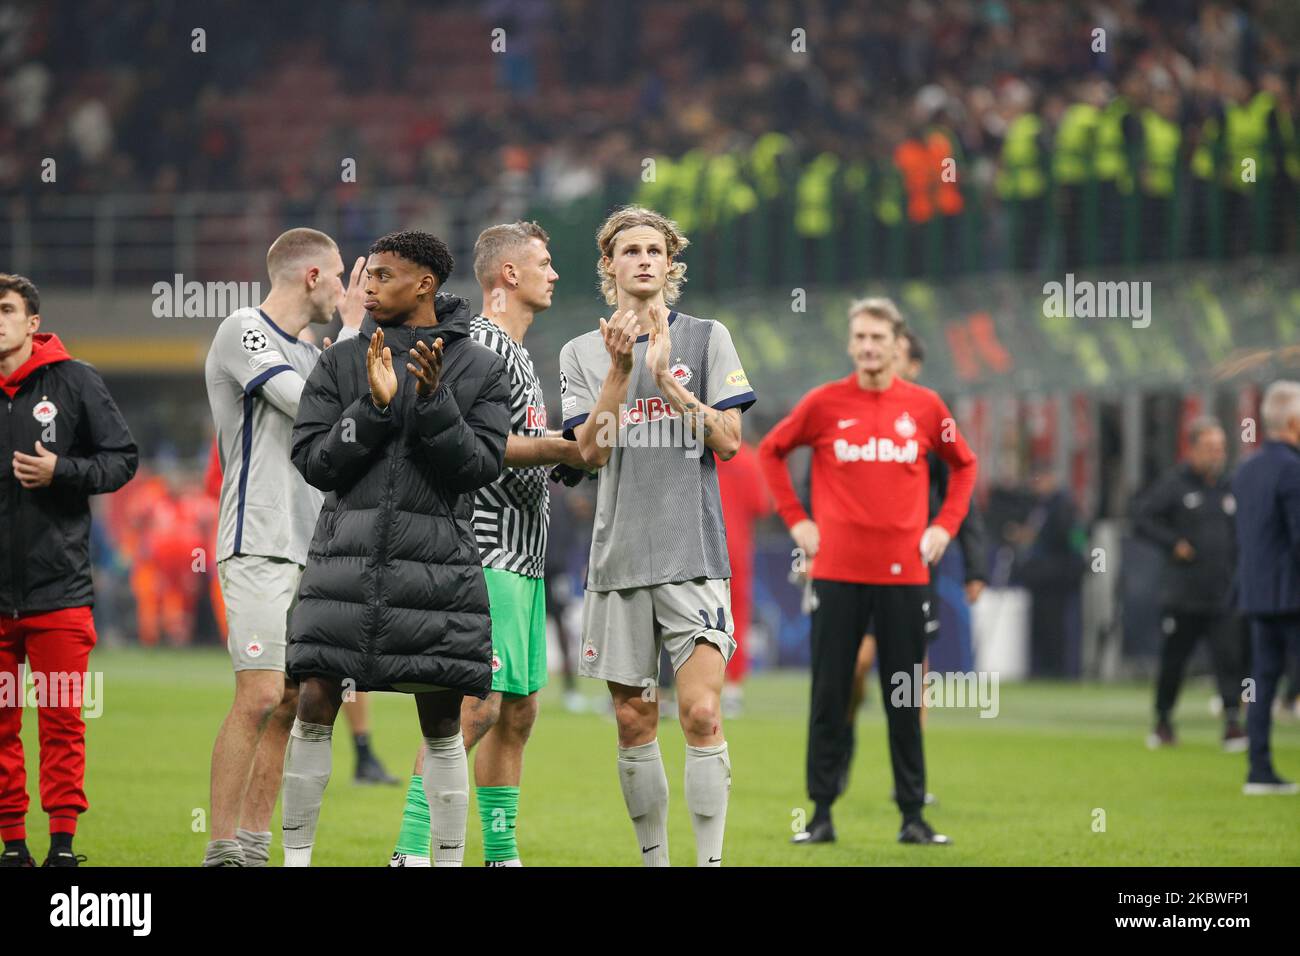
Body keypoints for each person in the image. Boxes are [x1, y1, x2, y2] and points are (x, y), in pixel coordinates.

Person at [280, 230, 511, 866]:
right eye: (366, 276)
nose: (368, 288)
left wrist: (433, 403)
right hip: (341, 569)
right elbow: (314, 461)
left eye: (383, 276)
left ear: (425, 285)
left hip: (436, 576)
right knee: (314, 702)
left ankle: (446, 861)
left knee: (441, 726)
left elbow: (479, 467)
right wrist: (374, 407)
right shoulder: (339, 361)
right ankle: (296, 861)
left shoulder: (480, 369)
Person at [559, 205, 756, 866]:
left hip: (692, 557)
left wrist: (672, 385)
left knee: (701, 715)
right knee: (633, 721)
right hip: (618, 562)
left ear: (671, 265)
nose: (643, 260)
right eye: (629, 251)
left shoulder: (707, 339)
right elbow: (590, 456)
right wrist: (619, 374)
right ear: (609, 266)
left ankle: (708, 862)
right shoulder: (581, 351)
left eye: (654, 250)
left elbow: (729, 443)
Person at [388, 220, 584, 867]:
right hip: (483, 552)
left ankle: (500, 854)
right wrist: (560, 446)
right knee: (475, 709)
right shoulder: (481, 345)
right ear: (509, 274)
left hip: (524, 560)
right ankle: (412, 851)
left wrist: (563, 453)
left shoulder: (520, 352)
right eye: (544, 262)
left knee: (519, 712)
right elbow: (473, 446)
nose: (553, 273)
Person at [759, 297, 976, 847]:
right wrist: (797, 522)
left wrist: (944, 527)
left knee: (904, 698)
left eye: (878, 337)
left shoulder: (926, 407)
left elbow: (965, 466)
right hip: (835, 574)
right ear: (850, 343)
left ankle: (913, 816)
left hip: (905, 577)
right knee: (830, 693)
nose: (868, 347)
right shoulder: (825, 403)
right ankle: (822, 813)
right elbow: (771, 450)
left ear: (896, 343)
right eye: (860, 337)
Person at [202, 228, 367, 866]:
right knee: (261, 692)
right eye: (341, 276)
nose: (349, 290)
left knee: (295, 699)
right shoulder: (243, 328)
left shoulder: (309, 352)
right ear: (312, 277)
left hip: (312, 545)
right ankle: (218, 848)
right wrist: (351, 338)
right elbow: (310, 407)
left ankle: (252, 845)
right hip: (258, 540)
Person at [0, 273, 138, 867]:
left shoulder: (76, 381)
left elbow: (121, 460)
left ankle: (61, 848)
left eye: (5, 309)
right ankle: (11, 845)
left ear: (33, 322)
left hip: (58, 592)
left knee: (61, 725)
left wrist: (64, 472)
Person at [851, 329, 988, 730]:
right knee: (856, 661)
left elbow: (960, 491)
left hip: (914, 558)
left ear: (913, 365)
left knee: (913, 664)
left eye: (897, 355)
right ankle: (845, 725)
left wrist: (975, 565)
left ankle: (913, 768)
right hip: (857, 557)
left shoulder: (930, 418)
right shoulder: (853, 411)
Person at [1132, 416, 1246, 751]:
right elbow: (1142, 517)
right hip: (1183, 593)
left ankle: (1232, 723)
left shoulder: (1229, 486)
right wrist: (1173, 543)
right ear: (1192, 448)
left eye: (1221, 447)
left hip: (1222, 592)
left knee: (1229, 659)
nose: (1217, 454)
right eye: (1210, 447)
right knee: (1175, 660)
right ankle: (1163, 720)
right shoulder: (1175, 484)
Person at [1232, 380, 1300, 795]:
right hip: (1293, 594)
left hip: (1257, 594)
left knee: (1262, 681)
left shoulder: (1247, 469)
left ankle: (1258, 769)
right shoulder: (1293, 469)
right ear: (1293, 422)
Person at [716, 441, 772, 716]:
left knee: (692, 617)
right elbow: (762, 505)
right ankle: (733, 690)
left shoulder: (692, 451)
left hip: (698, 548)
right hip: (736, 549)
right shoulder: (748, 459)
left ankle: (694, 686)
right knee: (736, 616)